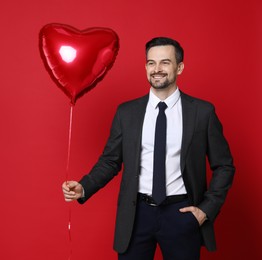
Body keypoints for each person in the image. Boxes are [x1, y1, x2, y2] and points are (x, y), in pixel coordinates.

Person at [61, 37, 235, 260]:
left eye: (165, 62)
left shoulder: (202, 112)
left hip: (181, 213)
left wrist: (205, 210)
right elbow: (110, 161)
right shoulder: (127, 112)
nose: (157, 69)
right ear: (145, 67)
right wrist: (84, 186)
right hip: (136, 214)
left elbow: (224, 166)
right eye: (151, 63)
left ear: (179, 67)